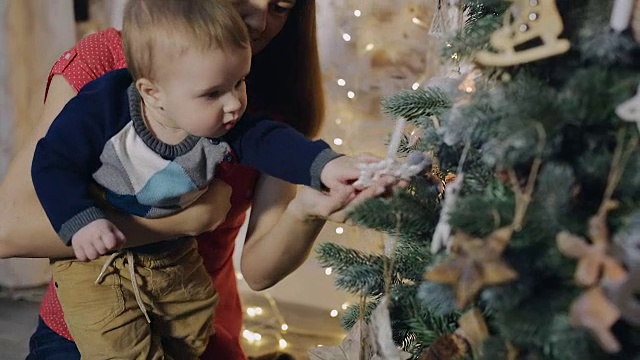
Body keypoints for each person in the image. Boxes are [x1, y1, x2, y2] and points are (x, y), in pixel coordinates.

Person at [0, 1, 395, 359]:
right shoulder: (107, 81)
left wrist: (315, 195)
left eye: (281, 6)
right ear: (151, 92)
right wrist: (186, 221)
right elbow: (12, 224)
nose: (260, 20)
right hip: (95, 300)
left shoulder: (242, 107)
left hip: (195, 312)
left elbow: (259, 267)